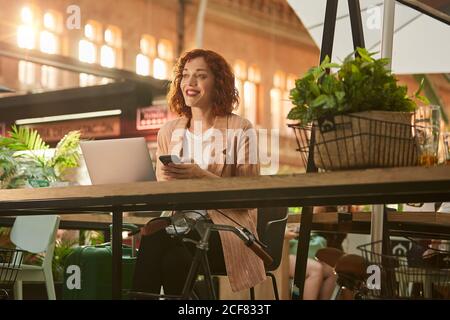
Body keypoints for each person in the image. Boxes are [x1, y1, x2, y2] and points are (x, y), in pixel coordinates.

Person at [132, 49, 266, 297]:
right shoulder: (169, 132)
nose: (190, 83)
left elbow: (249, 196)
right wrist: (164, 186)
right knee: (172, 257)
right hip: (179, 229)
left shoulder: (240, 128)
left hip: (227, 232)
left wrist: (199, 175)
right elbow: (164, 195)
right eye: (185, 75)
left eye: (200, 76)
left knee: (158, 239)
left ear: (218, 83)